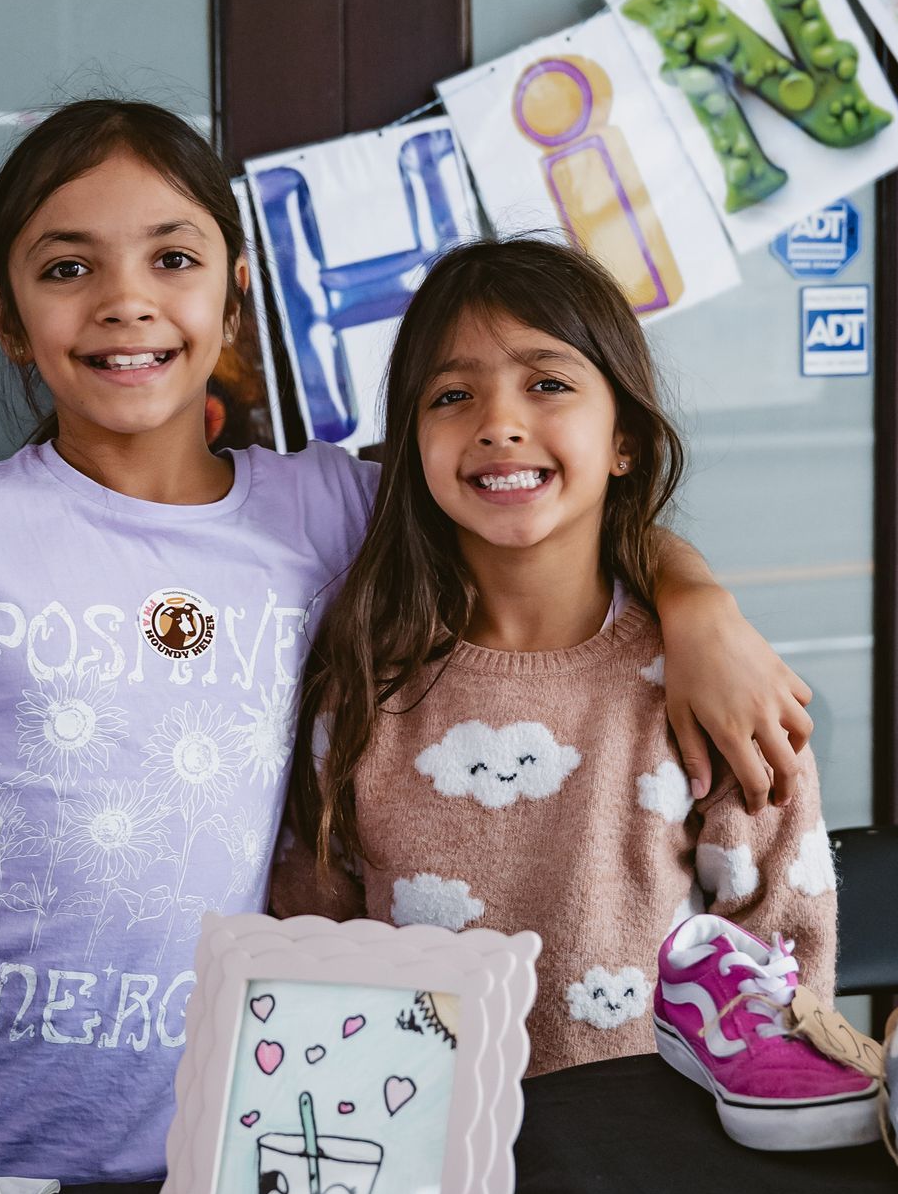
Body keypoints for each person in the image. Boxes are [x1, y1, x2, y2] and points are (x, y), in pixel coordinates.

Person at [0, 101, 813, 1183]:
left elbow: (531, 500)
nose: (126, 300)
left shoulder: (328, 508)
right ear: (5, 316)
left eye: (172, 259)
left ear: (234, 297)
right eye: (67, 269)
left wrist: (697, 605)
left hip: (235, 1152)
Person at [276, 234, 839, 1080]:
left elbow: (784, 960)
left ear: (625, 441)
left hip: (657, 1152)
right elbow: (313, 957)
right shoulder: (360, 680)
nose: (499, 425)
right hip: (421, 1149)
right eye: (452, 395)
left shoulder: (710, 680)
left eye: (547, 384)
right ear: (413, 446)